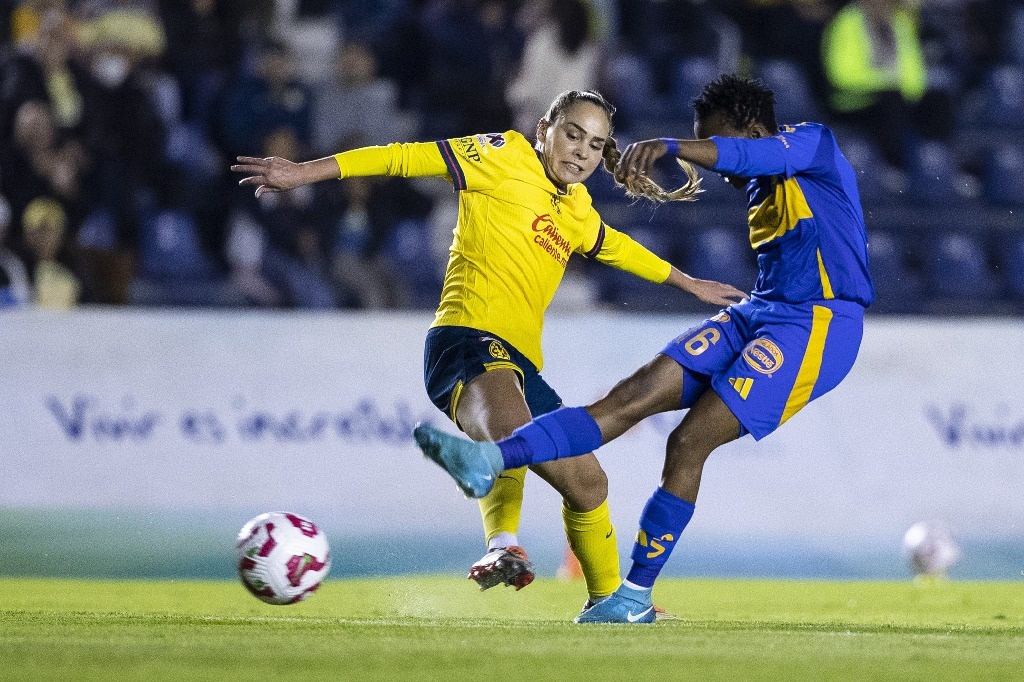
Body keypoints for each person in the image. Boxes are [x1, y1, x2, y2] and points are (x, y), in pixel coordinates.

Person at [231, 89, 744, 607]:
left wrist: (688, 283)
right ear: (544, 129)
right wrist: (305, 173)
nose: (582, 152)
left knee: (589, 483)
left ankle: (612, 603)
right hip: (465, 337)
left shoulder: (578, 208)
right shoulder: (502, 155)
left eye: (595, 144)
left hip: (518, 363)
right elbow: (404, 157)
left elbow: (614, 246)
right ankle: (503, 544)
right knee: (515, 428)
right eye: (572, 134)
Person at [413, 74, 875, 623]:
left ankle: (633, 597)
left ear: (751, 130)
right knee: (629, 397)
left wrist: (675, 146)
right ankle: (489, 459)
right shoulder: (761, 180)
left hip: (818, 323)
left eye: (718, 144)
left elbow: (746, 156)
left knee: (689, 441)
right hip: (760, 311)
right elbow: (740, 163)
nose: (718, 169)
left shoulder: (811, 144)